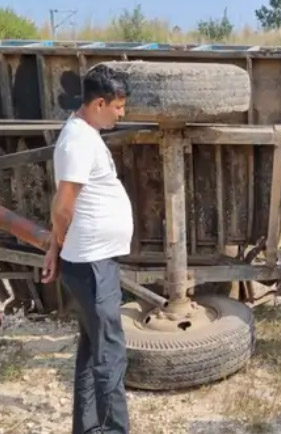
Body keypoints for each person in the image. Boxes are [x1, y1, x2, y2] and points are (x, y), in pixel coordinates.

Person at [42, 64, 133, 434]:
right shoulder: (78, 140)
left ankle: (88, 428)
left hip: (93, 260)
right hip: (92, 264)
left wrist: (55, 249)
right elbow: (63, 205)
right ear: (98, 103)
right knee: (110, 352)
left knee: (92, 349)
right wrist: (56, 247)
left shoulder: (85, 134)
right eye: (118, 106)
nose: (122, 113)